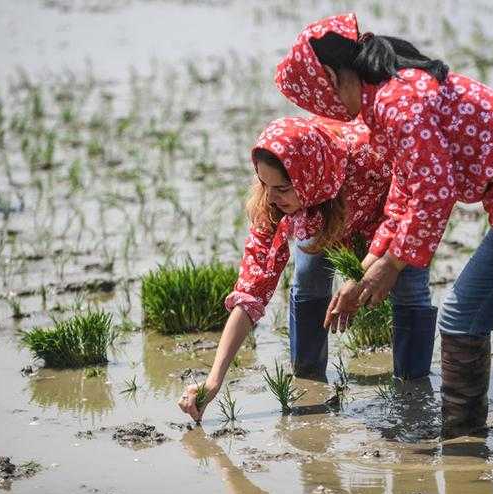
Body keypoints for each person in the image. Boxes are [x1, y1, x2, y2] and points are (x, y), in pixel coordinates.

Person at [274, 13, 493, 448]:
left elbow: (434, 191)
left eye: (326, 96)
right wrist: (367, 267)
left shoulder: (399, 101)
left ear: (337, 77)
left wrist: (392, 266)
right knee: (461, 321)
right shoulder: (386, 101)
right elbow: (405, 190)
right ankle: (464, 447)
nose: (333, 110)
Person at [178, 116, 436, 423]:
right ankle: (308, 379)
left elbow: (419, 203)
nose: (272, 197)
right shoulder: (274, 202)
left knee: (410, 287)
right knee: (308, 275)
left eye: (282, 187)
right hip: (321, 210)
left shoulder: (371, 157)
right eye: (264, 183)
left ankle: (413, 391)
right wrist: (214, 380)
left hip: (389, 215)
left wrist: (376, 267)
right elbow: (251, 290)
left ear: (309, 177)